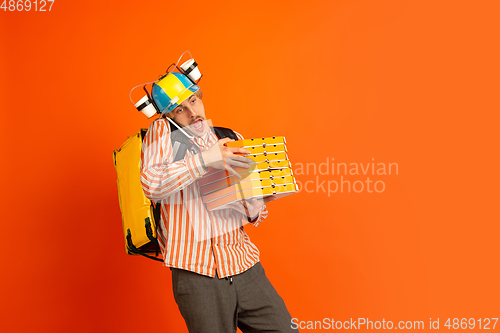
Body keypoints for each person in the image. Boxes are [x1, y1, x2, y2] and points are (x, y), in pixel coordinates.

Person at [140, 71, 296, 332]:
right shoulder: (162, 132)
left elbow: (246, 209)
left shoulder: (230, 136)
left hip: (244, 264)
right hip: (197, 272)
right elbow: (152, 184)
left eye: (193, 101)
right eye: (179, 109)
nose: (192, 113)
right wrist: (204, 160)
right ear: (168, 116)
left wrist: (259, 199)